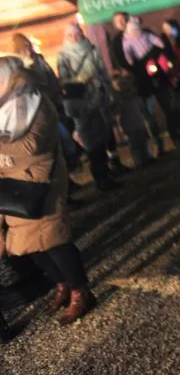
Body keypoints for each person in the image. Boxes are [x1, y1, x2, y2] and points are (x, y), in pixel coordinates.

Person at [0, 56, 97, 326]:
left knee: (55, 241)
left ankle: (81, 290)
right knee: (29, 247)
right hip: (14, 185)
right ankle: (61, 282)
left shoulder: (35, 104)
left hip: (41, 182)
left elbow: (31, 147)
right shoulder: (3, 109)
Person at [57, 22, 121, 189]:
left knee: (106, 130)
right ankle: (101, 176)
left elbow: (102, 70)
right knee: (93, 141)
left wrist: (108, 90)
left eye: (77, 34)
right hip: (81, 98)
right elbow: (64, 80)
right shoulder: (63, 55)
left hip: (98, 92)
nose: (74, 38)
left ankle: (112, 164)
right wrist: (82, 81)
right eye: (71, 35)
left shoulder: (91, 49)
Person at [123, 16, 180, 148]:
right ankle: (159, 144)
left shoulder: (147, 34)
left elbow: (159, 43)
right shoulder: (126, 41)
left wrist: (158, 50)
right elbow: (128, 57)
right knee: (150, 114)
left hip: (158, 73)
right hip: (144, 78)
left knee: (169, 106)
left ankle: (177, 135)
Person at [12, 33, 61, 110]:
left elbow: (50, 75)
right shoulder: (20, 67)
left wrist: (57, 90)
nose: (28, 52)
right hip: (41, 104)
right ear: (19, 51)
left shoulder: (39, 58)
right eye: (24, 50)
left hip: (53, 97)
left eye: (29, 48)